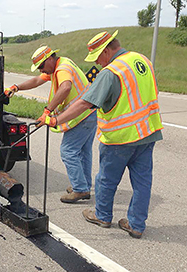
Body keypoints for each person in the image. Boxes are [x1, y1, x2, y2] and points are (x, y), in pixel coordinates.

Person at [41, 30, 163, 238]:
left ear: (106, 50)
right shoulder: (141, 59)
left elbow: (84, 103)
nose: (97, 63)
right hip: (147, 133)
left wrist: (55, 119)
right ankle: (136, 224)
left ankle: (103, 216)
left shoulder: (111, 72)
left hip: (120, 137)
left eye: (97, 57)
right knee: (143, 182)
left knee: (106, 179)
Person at [4, 45, 97, 203]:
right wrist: (17, 87)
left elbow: (66, 87)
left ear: (50, 59)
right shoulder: (58, 66)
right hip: (88, 114)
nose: (41, 70)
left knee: (68, 151)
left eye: (41, 66)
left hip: (81, 116)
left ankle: (80, 189)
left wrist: (47, 111)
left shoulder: (62, 69)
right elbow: (36, 80)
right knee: (83, 152)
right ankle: (83, 185)